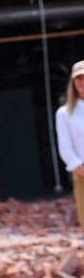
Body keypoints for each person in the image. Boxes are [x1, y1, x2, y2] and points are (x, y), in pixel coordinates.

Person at [57, 60, 84, 227]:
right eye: (78, 78)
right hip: (81, 173)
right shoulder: (65, 113)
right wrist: (81, 169)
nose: (82, 82)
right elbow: (65, 149)